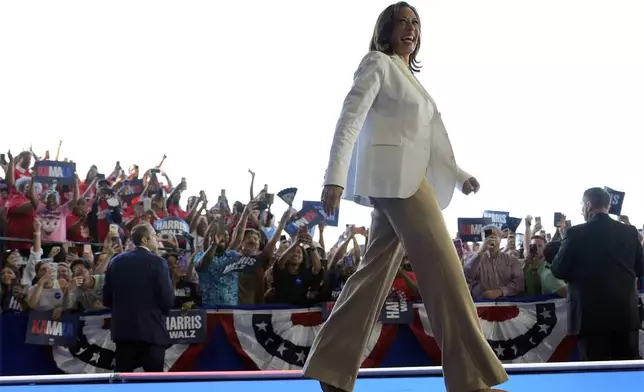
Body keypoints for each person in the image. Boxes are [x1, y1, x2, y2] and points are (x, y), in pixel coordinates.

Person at [303, 2, 508, 392]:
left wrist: (460, 175)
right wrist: (335, 178)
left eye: (416, 23)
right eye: (402, 22)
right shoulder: (376, 64)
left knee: (371, 277)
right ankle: (472, 380)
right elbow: (349, 118)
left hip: (404, 182)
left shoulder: (410, 79)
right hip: (400, 184)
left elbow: (427, 141)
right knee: (446, 276)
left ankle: (331, 368)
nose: (411, 29)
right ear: (385, 30)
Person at [551, 187, 643, 361]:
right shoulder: (630, 232)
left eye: (581, 205)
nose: (581, 210)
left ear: (588, 205)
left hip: (589, 318)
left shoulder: (574, 233)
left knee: (595, 372)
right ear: (607, 206)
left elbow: (558, 270)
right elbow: (641, 268)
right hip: (624, 314)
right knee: (627, 372)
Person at [102, 223, 174, 372]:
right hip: (152, 332)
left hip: (124, 333)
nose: (157, 239)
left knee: (124, 382)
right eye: (154, 235)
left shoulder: (115, 261)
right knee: (153, 384)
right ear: (144, 240)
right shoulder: (158, 262)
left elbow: (106, 299)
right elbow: (167, 300)